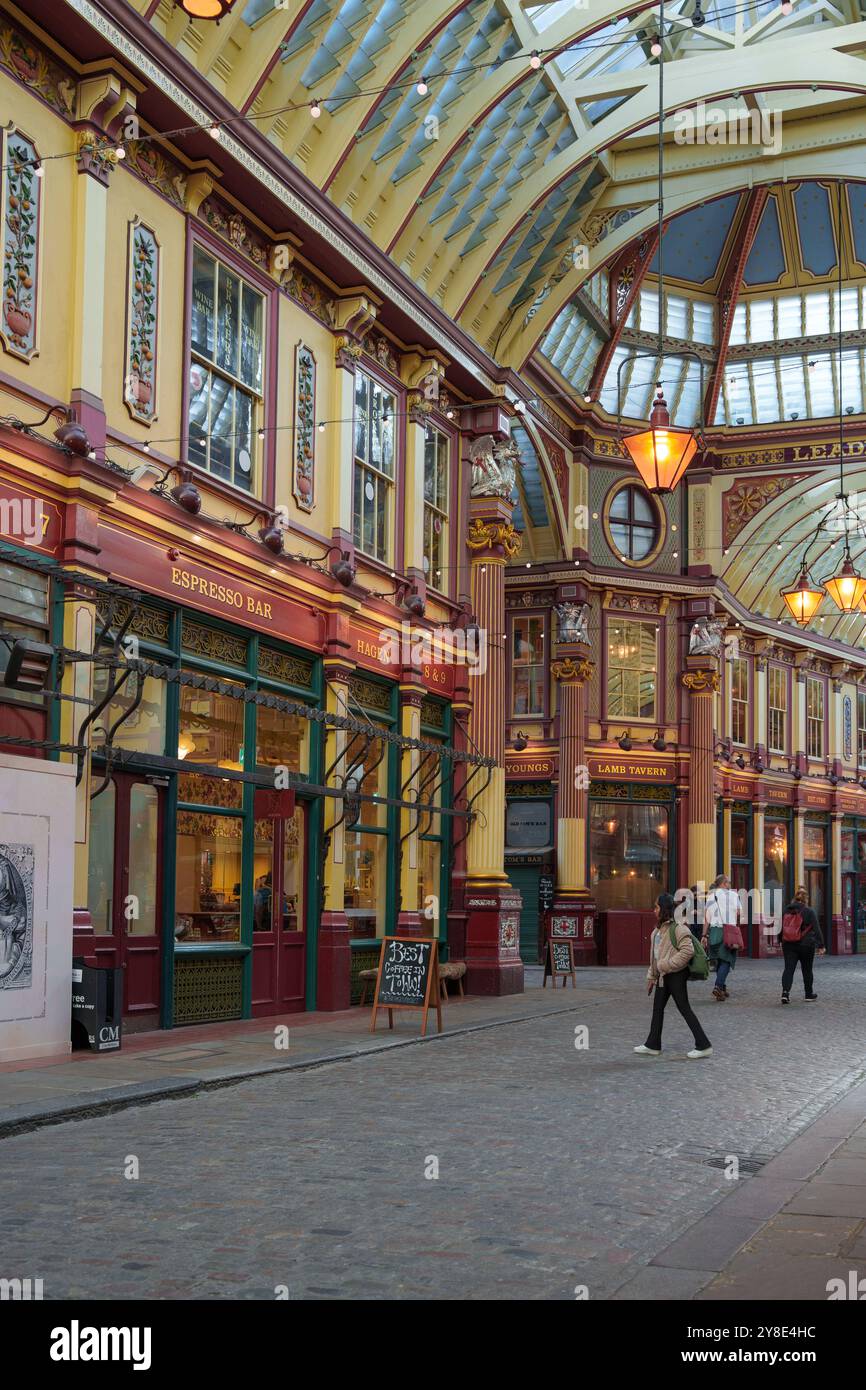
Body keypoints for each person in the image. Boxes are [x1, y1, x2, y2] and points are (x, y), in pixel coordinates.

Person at [634, 892, 713, 1059]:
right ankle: (653, 1044)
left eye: (656, 907)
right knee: (657, 1008)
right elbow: (655, 956)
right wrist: (652, 976)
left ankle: (704, 1045)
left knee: (684, 1008)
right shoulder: (658, 930)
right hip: (663, 975)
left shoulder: (678, 927)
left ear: (663, 909)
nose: (654, 910)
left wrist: (667, 965)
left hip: (676, 975)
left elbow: (688, 951)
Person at [778, 885, 825, 1004]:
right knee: (807, 970)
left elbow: (780, 926)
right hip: (806, 944)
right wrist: (821, 945)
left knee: (788, 969)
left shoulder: (786, 910)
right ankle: (808, 994)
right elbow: (816, 928)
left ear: (795, 898)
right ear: (806, 899)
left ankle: (785, 993)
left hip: (788, 943)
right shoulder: (809, 911)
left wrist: (779, 940)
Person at [703, 872, 741, 1001]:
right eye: (729, 882)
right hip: (728, 931)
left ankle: (723, 988)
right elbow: (738, 913)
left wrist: (704, 934)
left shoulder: (711, 896)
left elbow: (707, 917)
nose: (730, 884)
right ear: (724, 883)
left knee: (719, 959)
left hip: (714, 931)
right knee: (726, 960)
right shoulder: (734, 895)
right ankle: (718, 987)